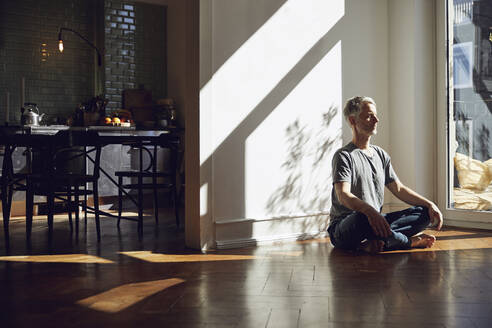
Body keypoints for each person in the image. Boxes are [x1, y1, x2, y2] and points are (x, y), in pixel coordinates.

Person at [328, 96, 443, 253]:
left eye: (375, 115)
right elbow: (343, 195)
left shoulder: (380, 154)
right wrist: (369, 211)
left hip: (375, 220)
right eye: (369, 116)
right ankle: (406, 242)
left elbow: (399, 189)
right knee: (362, 217)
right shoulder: (344, 156)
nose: (376, 120)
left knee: (423, 213)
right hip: (347, 227)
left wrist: (429, 204)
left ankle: (374, 241)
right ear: (353, 120)